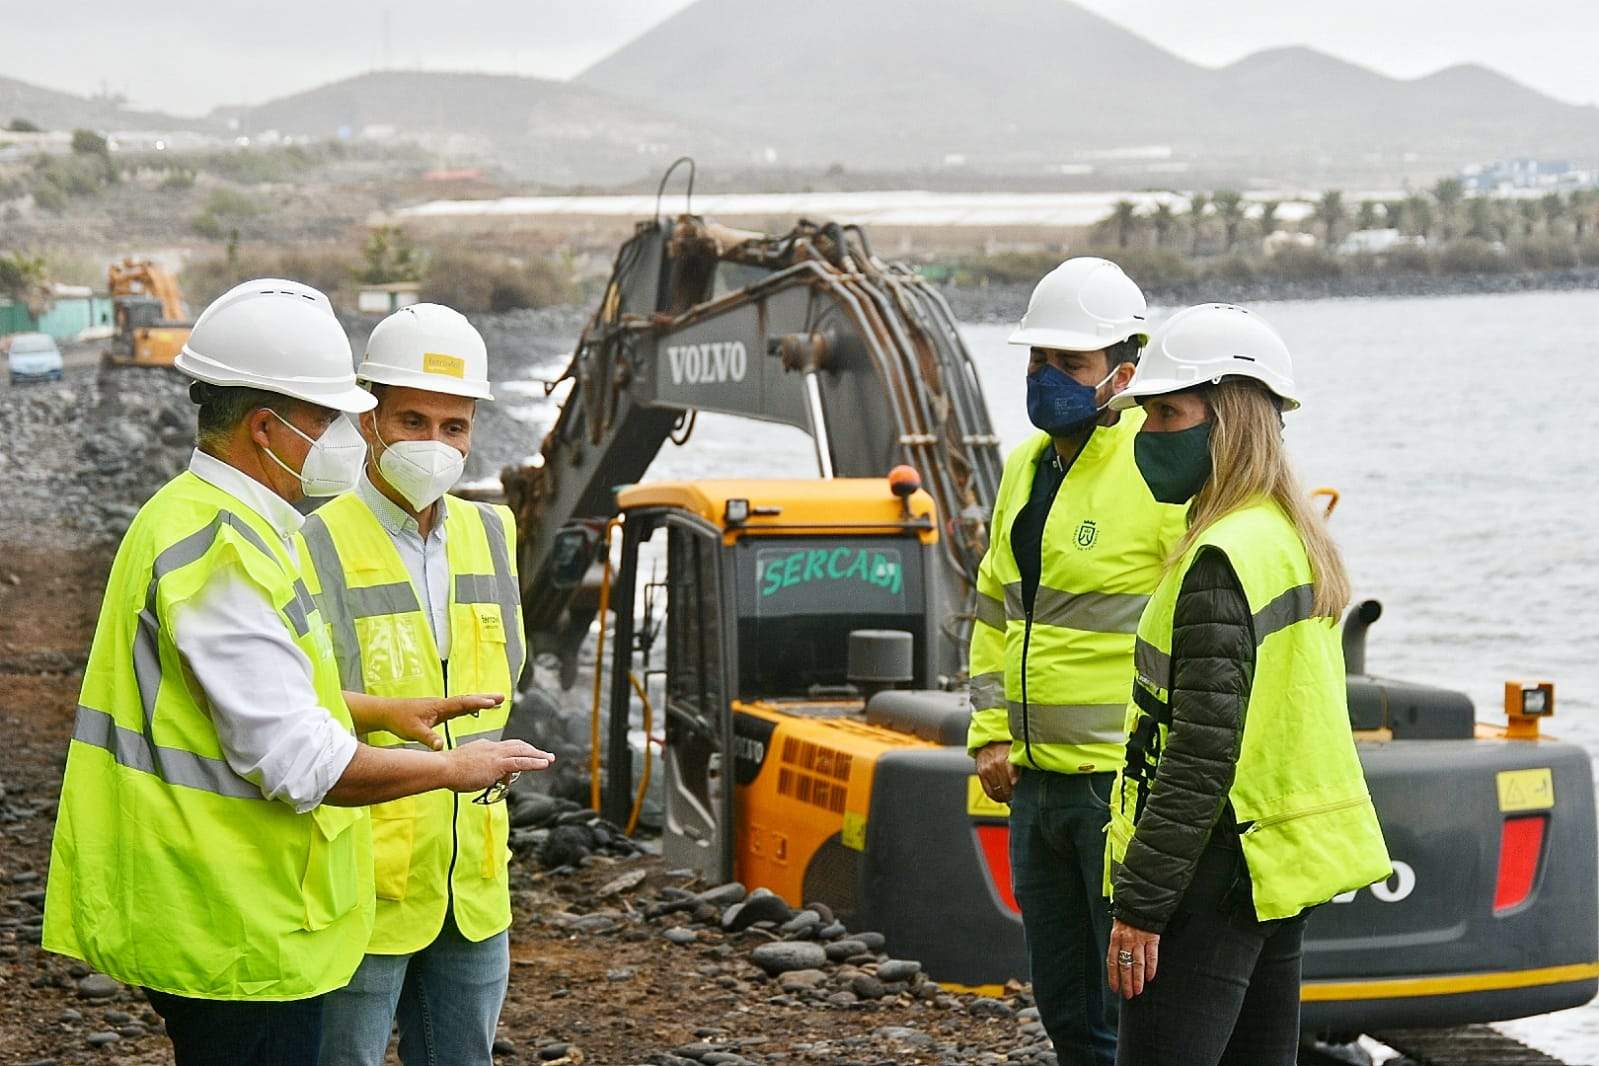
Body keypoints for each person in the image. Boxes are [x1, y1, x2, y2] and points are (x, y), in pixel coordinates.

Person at [41, 279, 553, 1066]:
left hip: (259, 905)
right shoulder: (223, 552)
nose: (339, 436)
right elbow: (300, 759)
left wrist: (373, 709)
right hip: (234, 917)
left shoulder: (207, 521)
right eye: (325, 419)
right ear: (265, 427)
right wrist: (454, 768)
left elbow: (250, 698)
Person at [1103, 303, 1392, 1066]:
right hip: (1273, 862)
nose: (1147, 433)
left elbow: (1199, 752)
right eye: (1146, 413)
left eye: (1167, 413)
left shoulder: (1219, 561)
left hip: (1208, 868)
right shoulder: (1286, 535)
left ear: (1229, 421)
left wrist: (1141, 905)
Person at [965, 258, 1187, 1065]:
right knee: (1064, 1004)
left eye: (1070, 362)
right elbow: (995, 607)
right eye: (1037, 359)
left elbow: (1197, 631)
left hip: (1117, 788)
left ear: (1124, 372)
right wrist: (989, 731)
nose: (1045, 376)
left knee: (1141, 1008)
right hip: (1033, 786)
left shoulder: (1156, 470)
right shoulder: (1025, 467)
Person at [306, 305, 526, 1065]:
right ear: (368, 419)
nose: (435, 443)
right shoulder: (313, 539)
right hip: (361, 882)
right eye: (413, 420)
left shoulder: (495, 533)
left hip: (473, 881)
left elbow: (508, 679)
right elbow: (291, 710)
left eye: (453, 426)